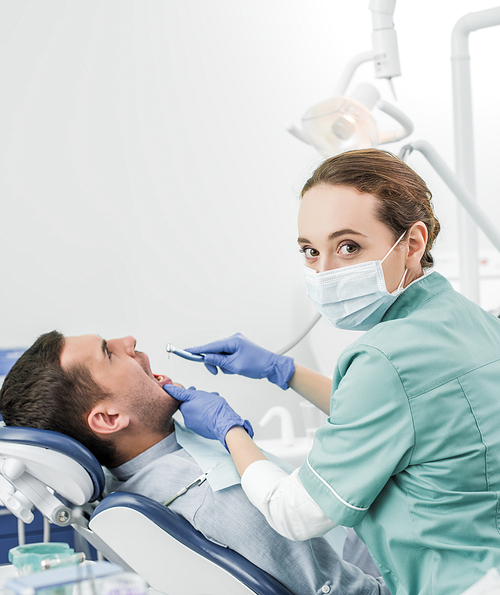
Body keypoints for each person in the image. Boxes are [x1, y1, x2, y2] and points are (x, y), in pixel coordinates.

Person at [163, 148, 500, 595]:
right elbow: (406, 411)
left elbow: (294, 514)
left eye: (348, 247)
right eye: (309, 251)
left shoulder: (385, 357)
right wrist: (280, 371)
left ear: (413, 243)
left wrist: (229, 430)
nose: (323, 272)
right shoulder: (468, 318)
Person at [0, 330, 387, 595]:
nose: (128, 340)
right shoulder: (211, 501)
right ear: (108, 419)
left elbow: (73, 459)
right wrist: (231, 430)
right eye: (108, 352)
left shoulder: (131, 468)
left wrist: (35, 465)